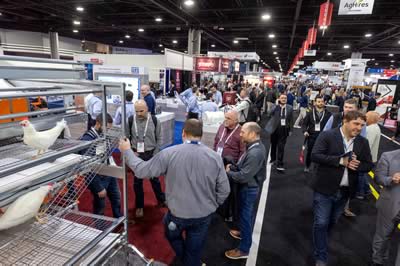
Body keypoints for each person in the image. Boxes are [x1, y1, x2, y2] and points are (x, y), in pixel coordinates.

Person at [119, 119, 230, 266]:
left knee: (172, 236)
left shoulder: (169, 154)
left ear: (183, 133)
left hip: (177, 215)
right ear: (201, 135)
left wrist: (127, 150)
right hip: (203, 215)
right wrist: (213, 205)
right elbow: (225, 189)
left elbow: (141, 171)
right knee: (194, 250)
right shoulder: (215, 157)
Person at [310, 111, 373, 266]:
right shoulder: (328, 136)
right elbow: (315, 155)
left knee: (331, 221)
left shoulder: (362, 142)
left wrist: (357, 165)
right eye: (356, 123)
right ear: (345, 121)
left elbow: (368, 164)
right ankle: (321, 256)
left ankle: (321, 240)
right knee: (321, 222)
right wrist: (340, 161)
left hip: (345, 192)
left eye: (362, 125)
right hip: (324, 189)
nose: (359, 128)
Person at [224, 122, 267, 260]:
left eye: (243, 132)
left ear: (253, 134)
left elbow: (243, 176)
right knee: (245, 215)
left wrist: (229, 172)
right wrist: (235, 166)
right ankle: (243, 233)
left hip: (248, 188)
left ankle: (243, 249)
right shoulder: (254, 146)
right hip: (249, 186)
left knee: (245, 216)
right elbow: (245, 167)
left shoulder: (255, 152)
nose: (240, 134)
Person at [128, 100, 165, 218]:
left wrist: (156, 154)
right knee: (137, 182)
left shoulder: (154, 120)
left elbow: (159, 138)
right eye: (136, 111)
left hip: (151, 154)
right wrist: (131, 153)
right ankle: (139, 206)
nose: (138, 113)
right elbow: (126, 137)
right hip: (137, 154)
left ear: (147, 109)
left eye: (141, 111)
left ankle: (161, 199)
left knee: (155, 179)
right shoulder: (130, 120)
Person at [80, 114, 122, 219]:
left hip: (109, 174)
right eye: (106, 128)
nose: (108, 131)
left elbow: (107, 154)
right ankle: (100, 229)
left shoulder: (103, 135)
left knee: (116, 198)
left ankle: (118, 220)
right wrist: (98, 187)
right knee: (100, 207)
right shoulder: (87, 140)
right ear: (98, 124)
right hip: (98, 178)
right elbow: (87, 167)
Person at [214, 110, 245, 222]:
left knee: (229, 190)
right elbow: (216, 141)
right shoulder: (222, 127)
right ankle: (218, 207)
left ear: (236, 120)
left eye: (228, 118)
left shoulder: (241, 132)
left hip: (230, 166)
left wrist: (236, 167)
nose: (225, 120)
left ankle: (228, 213)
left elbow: (243, 152)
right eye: (225, 117)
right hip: (218, 162)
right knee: (217, 186)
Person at [371, 149, 400, 266]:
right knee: (382, 237)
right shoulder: (388, 156)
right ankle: (377, 261)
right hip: (389, 205)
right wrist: (391, 179)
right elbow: (378, 177)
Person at [302, 95, 332, 172]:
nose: (320, 103)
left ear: (324, 102)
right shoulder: (310, 113)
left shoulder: (329, 114)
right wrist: (305, 131)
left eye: (322, 101)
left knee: (322, 153)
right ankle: (307, 165)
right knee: (310, 152)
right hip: (311, 136)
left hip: (323, 137)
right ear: (315, 102)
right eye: (319, 101)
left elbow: (332, 125)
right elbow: (304, 124)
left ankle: (318, 167)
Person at [265, 94, 294, 171]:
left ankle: (280, 163)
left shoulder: (290, 108)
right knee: (273, 145)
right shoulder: (275, 106)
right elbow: (269, 113)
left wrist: (291, 130)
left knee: (281, 147)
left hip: (284, 130)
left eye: (285, 98)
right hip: (274, 129)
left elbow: (291, 120)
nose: (284, 99)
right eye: (282, 98)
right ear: (279, 99)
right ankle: (273, 159)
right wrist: (276, 105)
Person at [357, 111, 381, 200]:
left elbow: (367, 145)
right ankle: (367, 189)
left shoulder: (370, 129)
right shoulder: (376, 127)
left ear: (371, 118)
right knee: (363, 175)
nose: (365, 117)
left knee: (360, 175)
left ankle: (360, 193)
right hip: (371, 158)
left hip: (366, 158)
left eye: (366, 116)